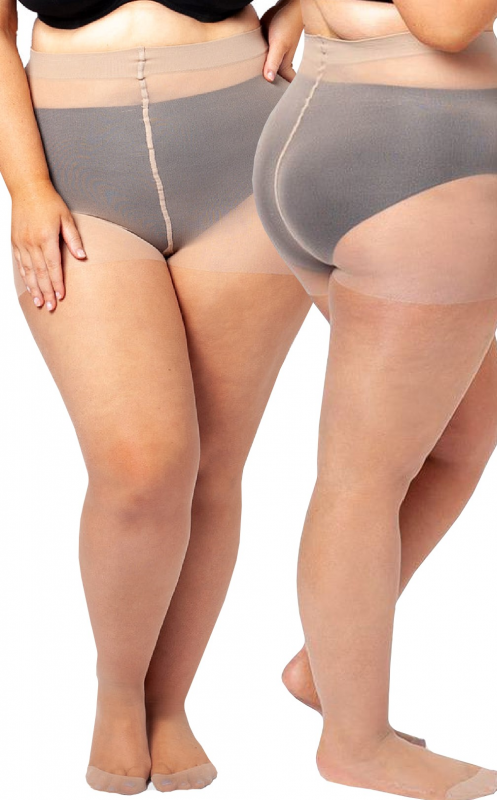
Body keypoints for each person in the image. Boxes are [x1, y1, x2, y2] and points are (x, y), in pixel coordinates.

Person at [0, 0, 312, 793]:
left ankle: (168, 703)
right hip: (78, 184)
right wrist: (27, 187)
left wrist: (306, 6)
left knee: (213, 467)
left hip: (248, 159)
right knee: (141, 470)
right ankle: (117, 691)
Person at [253, 0, 497, 797]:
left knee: (465, 429)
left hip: (326, 123)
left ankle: (324, 666)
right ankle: (355, 743)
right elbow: (444, 22)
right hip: (411, 162)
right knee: (362, 480)